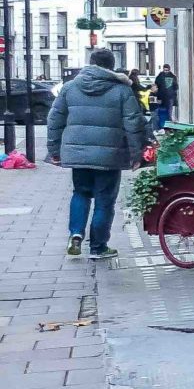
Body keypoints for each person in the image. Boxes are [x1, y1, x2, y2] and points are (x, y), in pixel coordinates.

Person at [46, 46, 148, 262]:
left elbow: (54, 119)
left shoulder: (70, 87)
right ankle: (98, 247)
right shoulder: (121, 90)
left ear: (91, 62)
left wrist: (54, 150)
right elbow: (133, 122)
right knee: (104, 200)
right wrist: (137, 154)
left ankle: (76, 232)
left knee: (81, 192)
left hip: (78, 153)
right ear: (111, 66)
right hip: (109, 156)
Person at [152, 64, 178, 132]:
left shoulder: (171, 77)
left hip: (169, 98)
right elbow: (157, 86)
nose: (166, 71)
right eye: (165, 70)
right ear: (163, 69)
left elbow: (176, 87)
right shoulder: (161, 76)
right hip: (163, 97)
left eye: (167, 70)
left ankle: (167, 127)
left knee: (168, 113)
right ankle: (164, 127)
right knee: (163, 113)